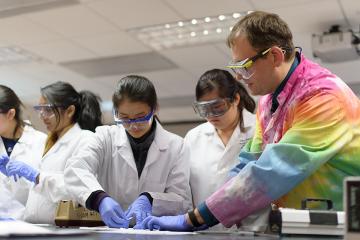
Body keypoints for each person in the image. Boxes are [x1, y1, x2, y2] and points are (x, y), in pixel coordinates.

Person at [141, 11, 360, 231]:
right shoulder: (268, 102)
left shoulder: (324, 96)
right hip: (300, 227)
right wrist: (208, 211)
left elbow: (272, 171)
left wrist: (195, 218)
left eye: (244, 66)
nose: (238, 77)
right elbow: (247, 161)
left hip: (341, 227)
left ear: (274, 56)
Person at [64, 75, 192, 229]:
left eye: (141, 117)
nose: (133, 126)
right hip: (111, 231)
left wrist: (150, 199)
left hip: (153, 231)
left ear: (155, 109)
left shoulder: (177, 146)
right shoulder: (104, 137)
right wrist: (100, 199)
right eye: (124, 118)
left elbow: (181, 200)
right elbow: (75, 168)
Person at [3, 81, 102, 224]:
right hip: (38, 226)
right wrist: (15, 176)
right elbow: (39, 189)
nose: (42, 116)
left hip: (64, 228)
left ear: (69, 111)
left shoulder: (84, 139)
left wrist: (36, 176)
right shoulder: (52, 142)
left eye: (47, 110)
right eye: (40, 109)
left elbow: (80, 188)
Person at [185, 69, 266, 231]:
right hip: (205, 231)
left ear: (235, 99)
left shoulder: (260, 130)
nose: (211, 115)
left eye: (217, 107)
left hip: (252, 230)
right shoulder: (193, 137)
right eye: (204, 109)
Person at [0, 85, 46, 219]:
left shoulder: (41, 142)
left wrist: (27, 176)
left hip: (30, 224)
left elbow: (50, 187)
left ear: (11, 114)